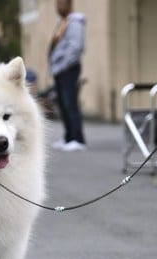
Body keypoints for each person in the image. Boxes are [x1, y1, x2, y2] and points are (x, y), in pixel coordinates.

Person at [49, 0, 87, 151]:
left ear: (70, 4)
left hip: (68, 69)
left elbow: (75, 47)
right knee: (63, 105)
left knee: (70, 104)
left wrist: (63, 65)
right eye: (57, 3)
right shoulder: (62, 22)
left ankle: (78, 139)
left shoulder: (75, 22)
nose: (58, 6)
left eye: (62, 3)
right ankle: (68, 137)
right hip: (59, 70)